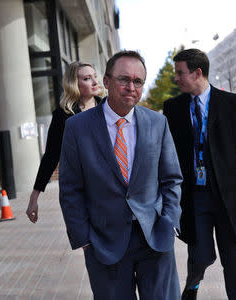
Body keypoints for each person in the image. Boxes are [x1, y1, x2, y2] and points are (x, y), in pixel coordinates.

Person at [59, 50, 183, 299]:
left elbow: (172, 179)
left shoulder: (157, 123)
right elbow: (70, 188)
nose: (131, 87)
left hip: (154, 238)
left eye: (137, 81)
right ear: (106, 82)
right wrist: (84, 239)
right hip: (104, 244)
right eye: (123, 79)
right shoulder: (77, 127)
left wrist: (170, 220)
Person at [163, 49, 236, 300]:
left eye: (180, 73)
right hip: (194, 196)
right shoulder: (173, 108)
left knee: (232, 260)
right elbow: (165, 154)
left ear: (197, 73)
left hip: (227, 197)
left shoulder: (232, 103)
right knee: (200, 256)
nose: (176, 78)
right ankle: (192, 287)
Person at [26, 62, 103, 223]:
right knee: (89, 243)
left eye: (95, 76)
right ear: (74, 84)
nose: (95, 82)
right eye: (87, 78)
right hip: (79, 190)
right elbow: (51, 155)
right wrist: (34, 197)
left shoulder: (108, 109)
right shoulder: (63, 115)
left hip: (109, 187)